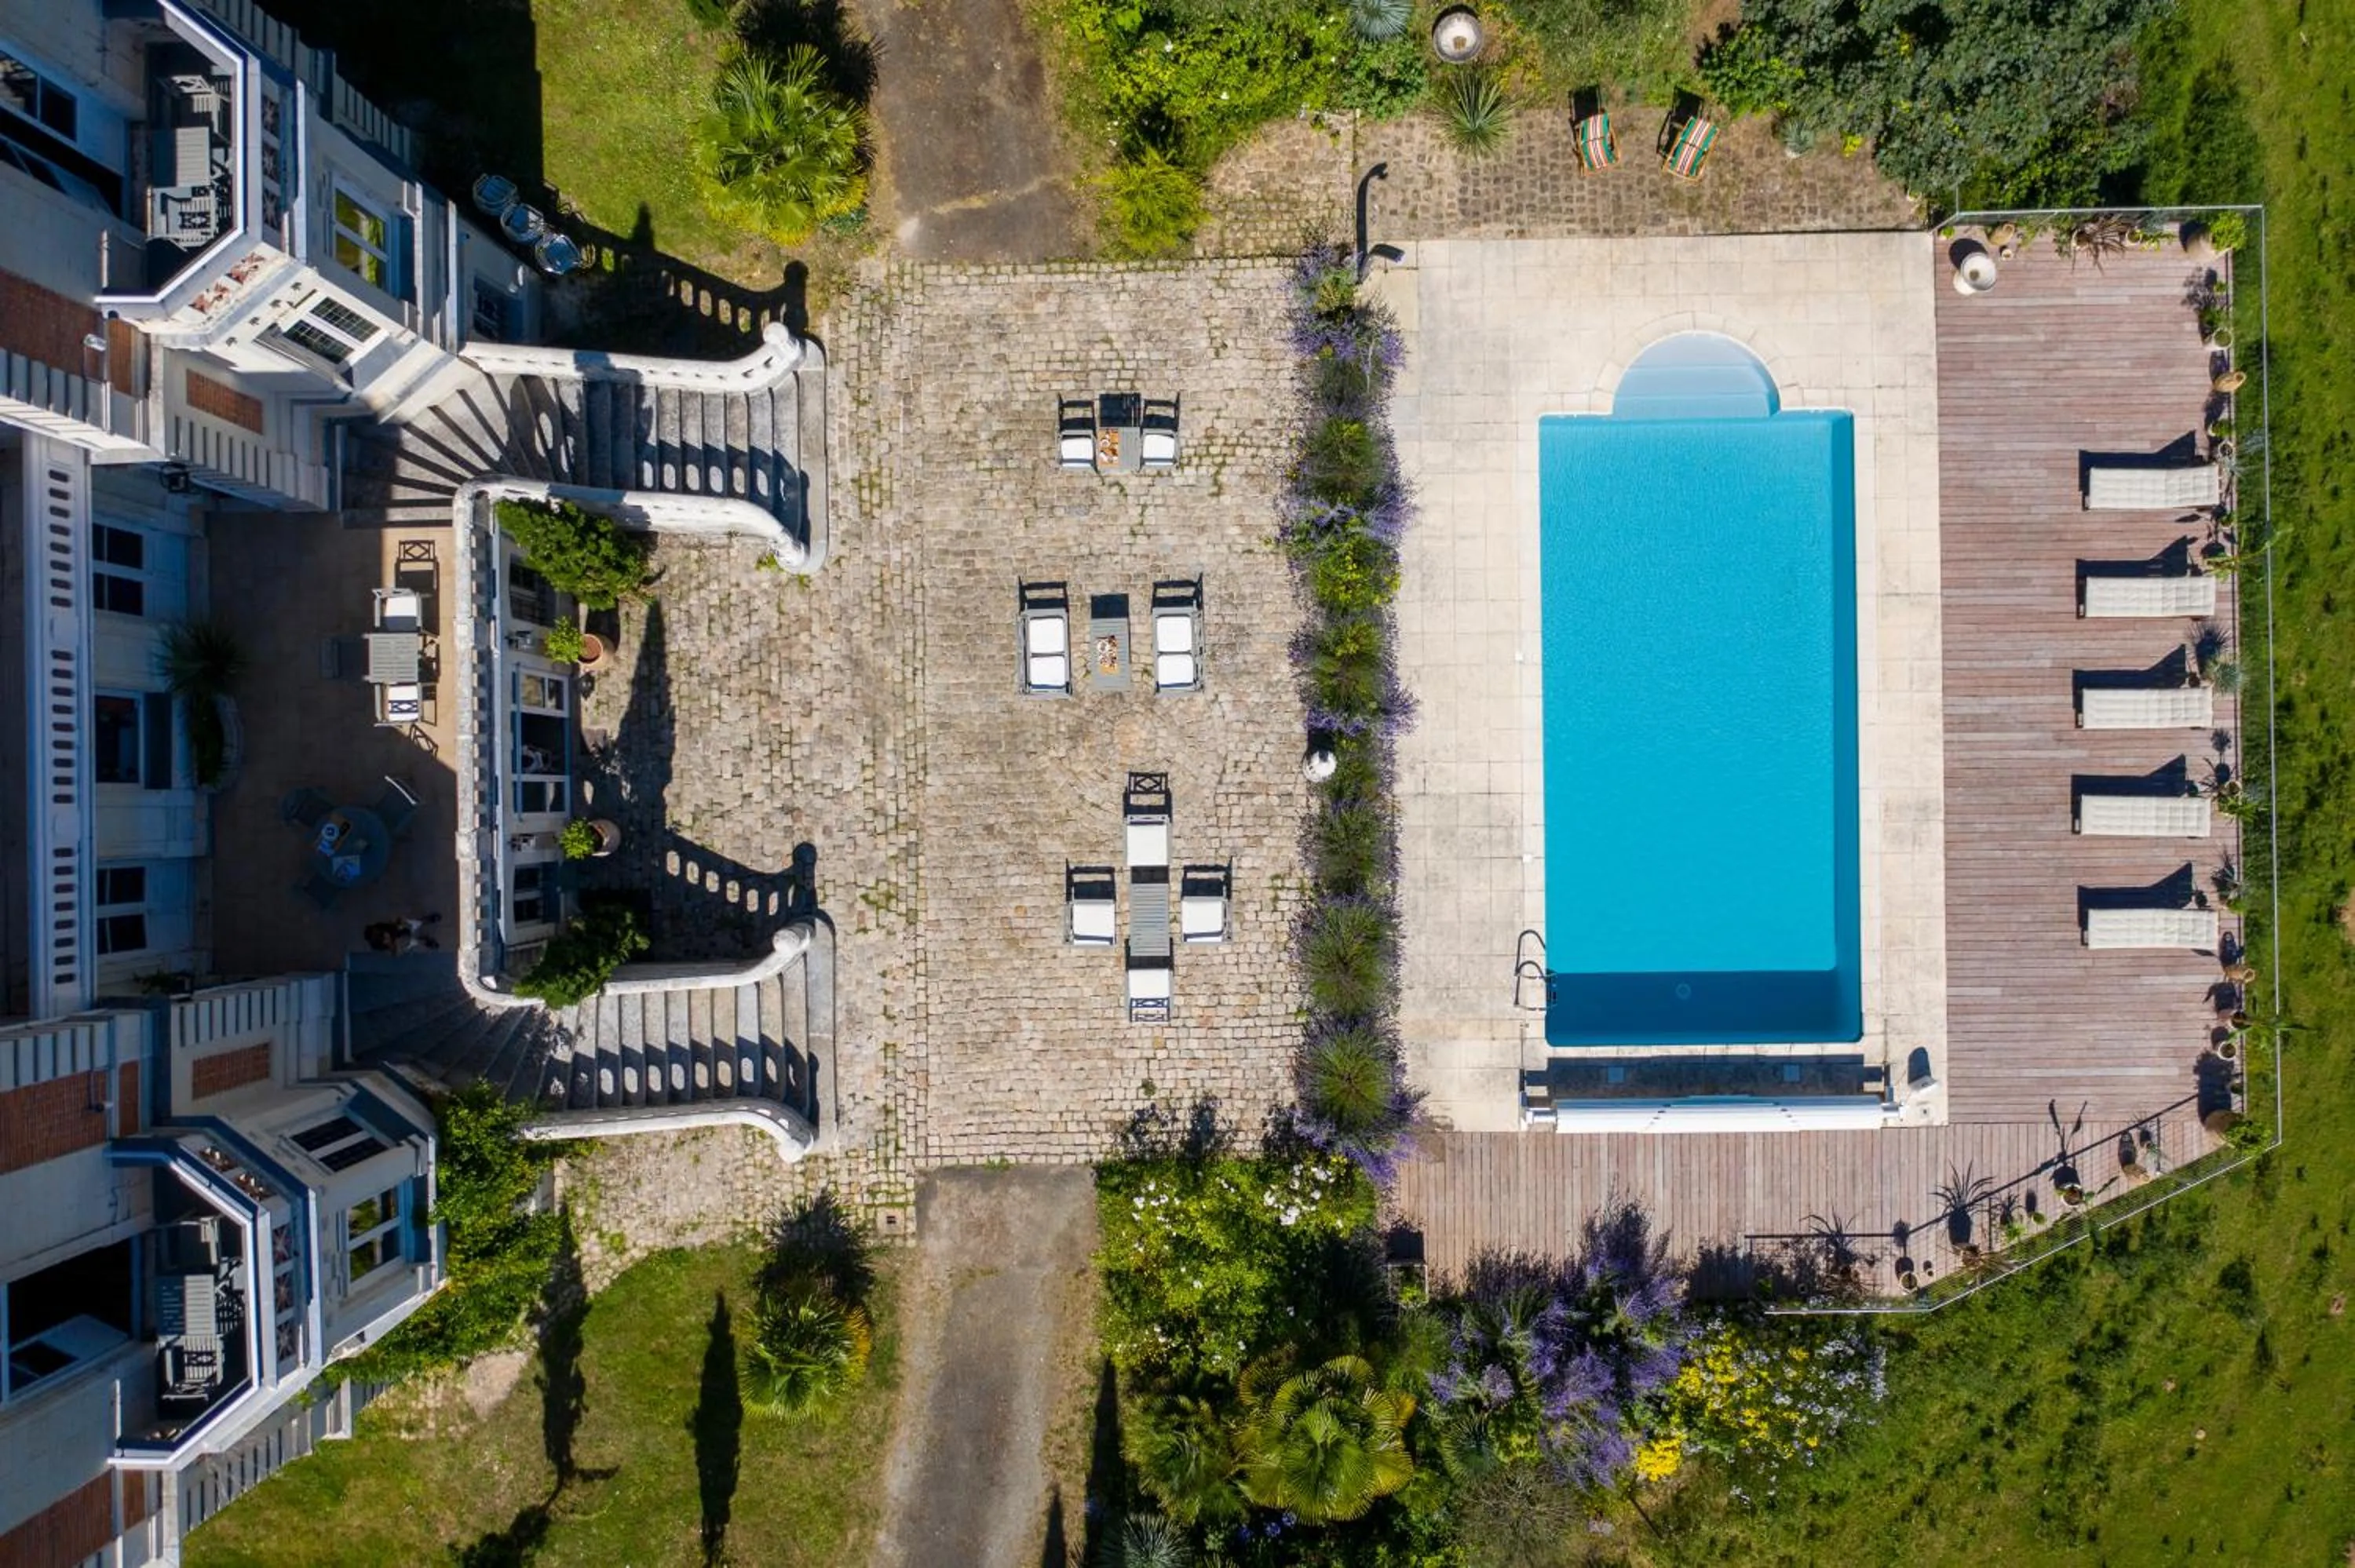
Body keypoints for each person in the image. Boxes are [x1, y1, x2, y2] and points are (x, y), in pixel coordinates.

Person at [363, 912, 443, 955]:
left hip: (399, 929)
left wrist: (398, 923)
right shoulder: (376, 945)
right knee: (412, 942)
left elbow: (392, 923)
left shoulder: (379, 926)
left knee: (413, 924)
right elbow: (395, 953)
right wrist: (390, 943)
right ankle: (426, 941)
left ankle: (426, 920)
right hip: (400, 941)